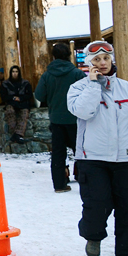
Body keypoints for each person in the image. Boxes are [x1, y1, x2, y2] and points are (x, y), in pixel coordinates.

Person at [67, 41, 128, 256]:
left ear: (112, 59)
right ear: (89, 63)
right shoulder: (78, 88)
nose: (102, 63)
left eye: (106, 58)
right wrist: (94, 85)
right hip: (92, 159)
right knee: (97, 206)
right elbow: (83, 112)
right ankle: (93, 238)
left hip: (125, 160)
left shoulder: (127, 88)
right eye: (96, 59)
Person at [35, 43, 86, 193]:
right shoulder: (77, 74)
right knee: (82, 151)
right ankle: (83, 179)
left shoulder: (47, 75)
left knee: (58, 154)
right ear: (69, 55)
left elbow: (39, 95)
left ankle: (59, 185)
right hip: (76, 120)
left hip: (56, 120)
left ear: (54, 56)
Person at [0, 65, 33, 144]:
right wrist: (13, 98)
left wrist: (21, 98)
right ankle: (17, 135)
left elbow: (29, 94)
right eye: (13, 72)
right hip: (11, 102)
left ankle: (17, 134)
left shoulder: (25, 83)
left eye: (16, 72)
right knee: (10, 112)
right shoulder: (5, 84)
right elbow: (3, 96)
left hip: (23, 103)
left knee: (24, 114)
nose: (15, 74)